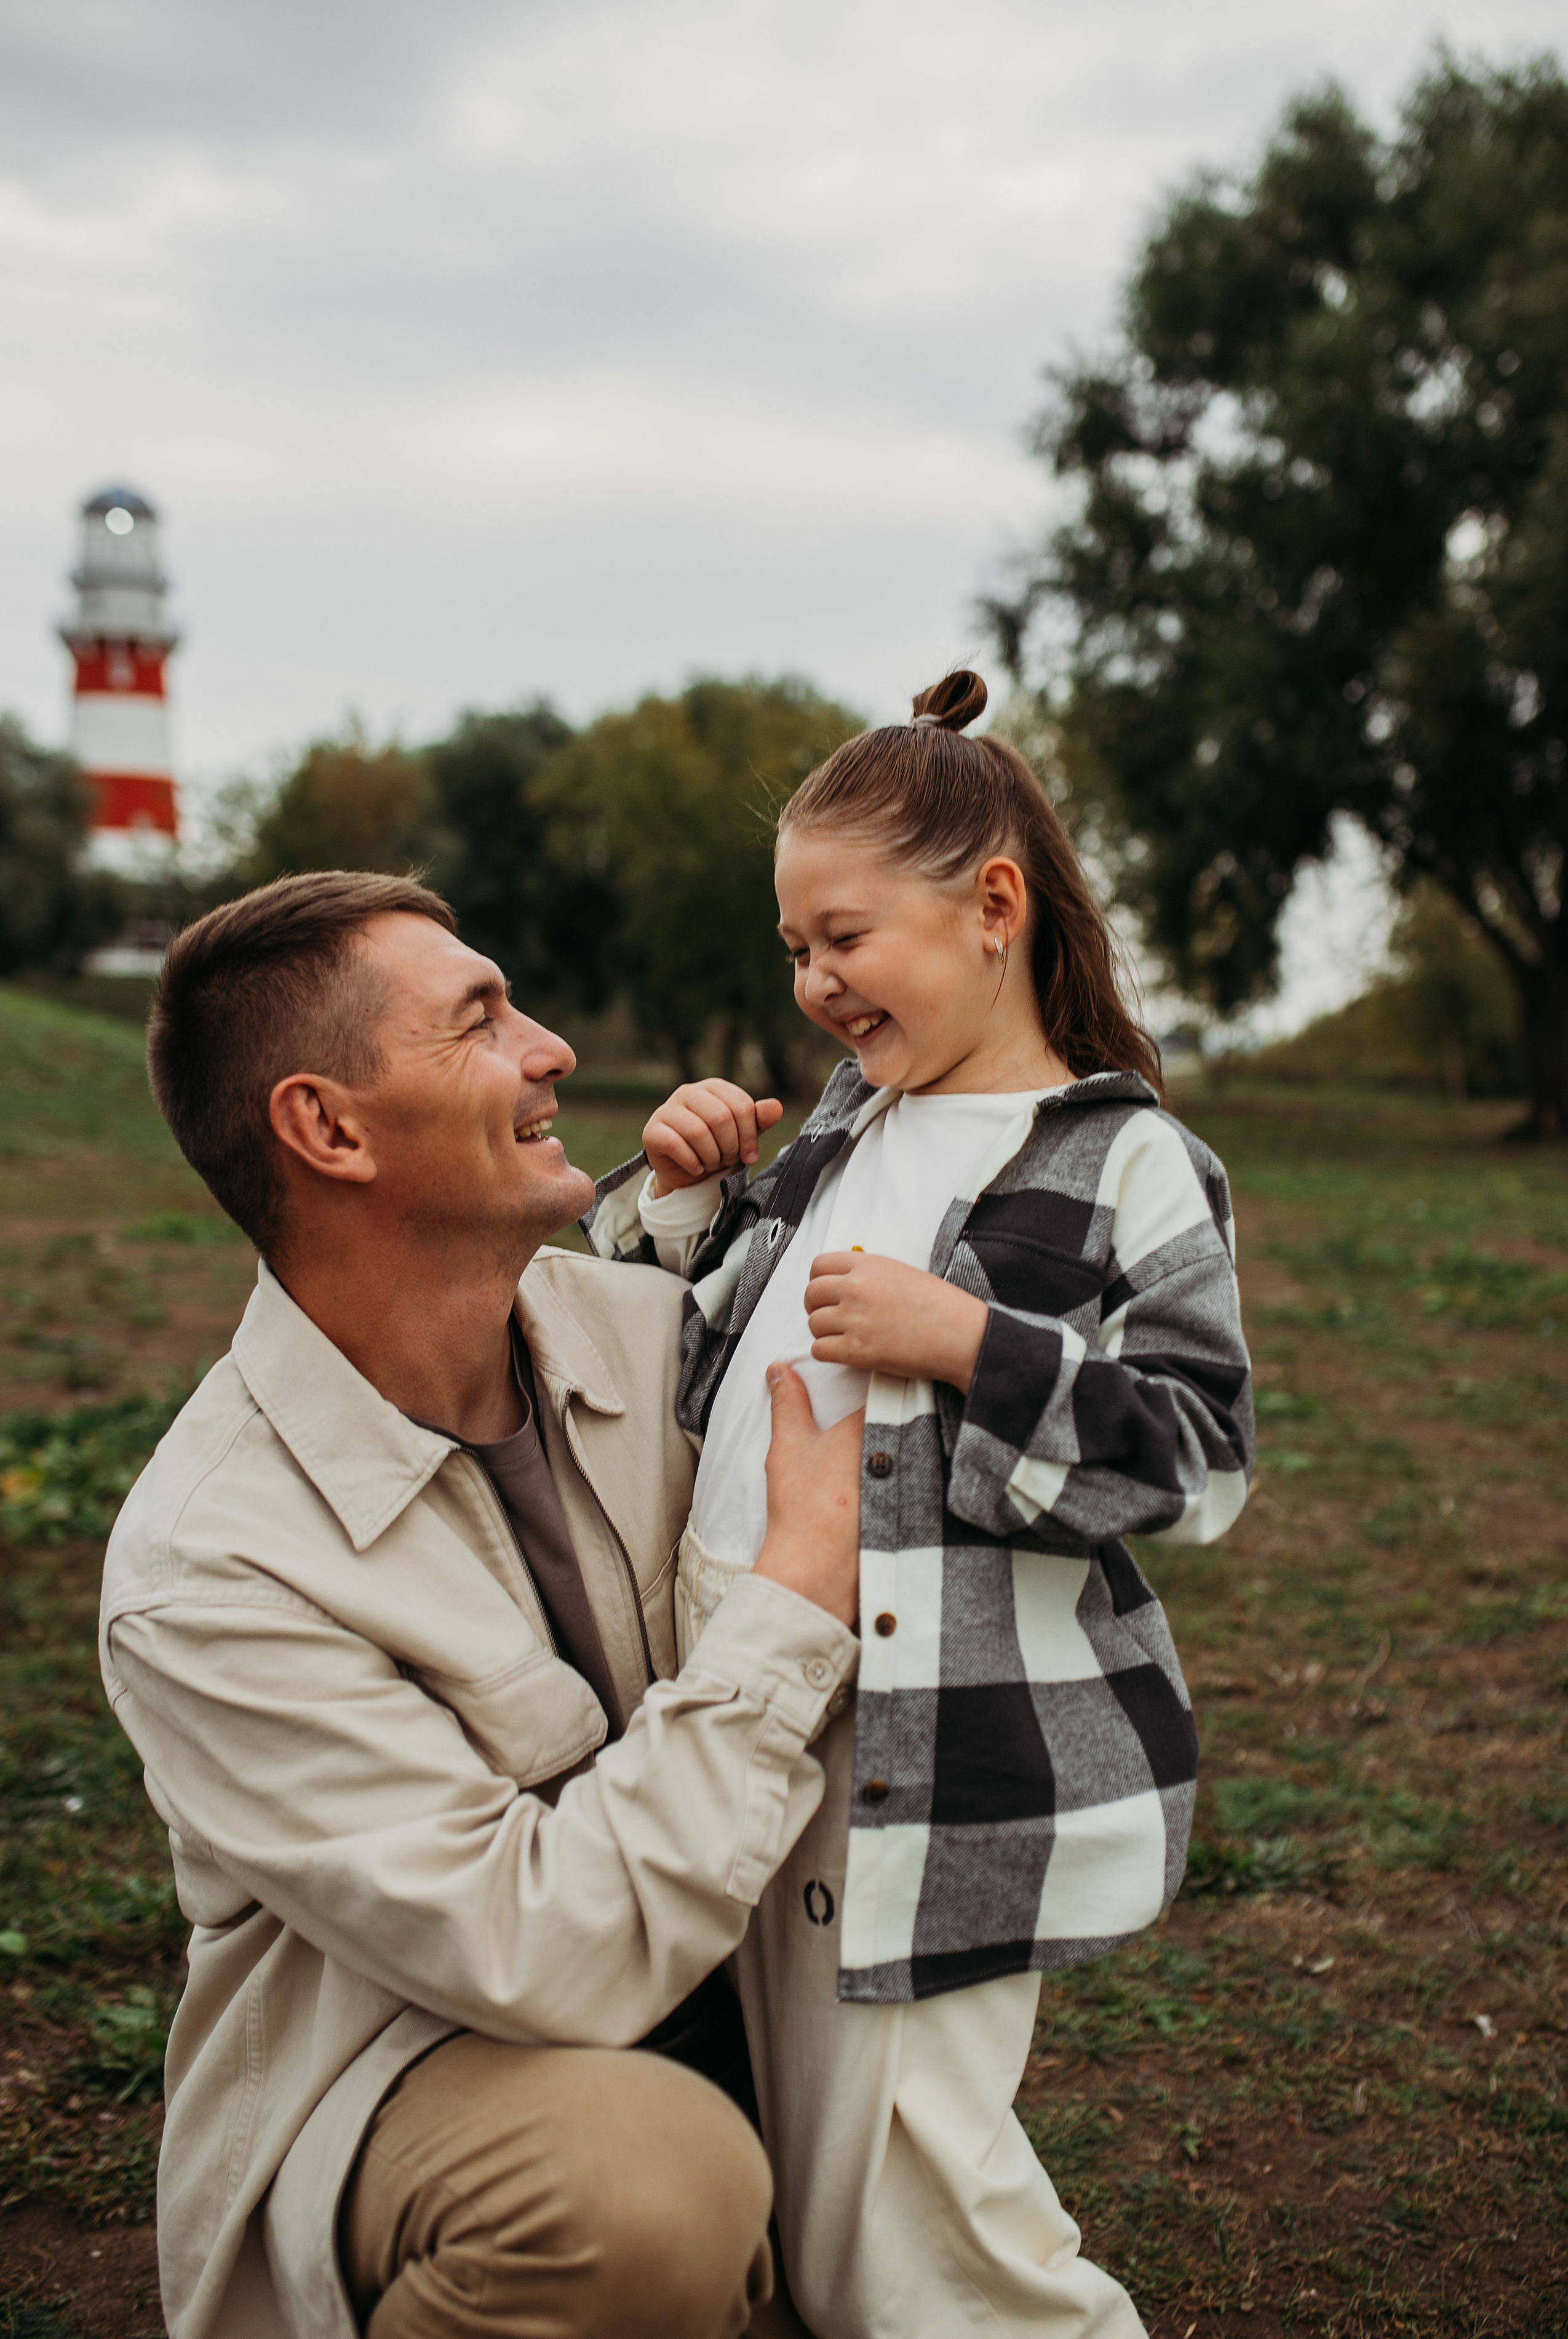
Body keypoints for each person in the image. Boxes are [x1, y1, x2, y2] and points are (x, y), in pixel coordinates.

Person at [99, 871, 865, 2339]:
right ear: (327, 1129)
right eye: (479, 1022)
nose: (553, 1046)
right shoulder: (209, 1571)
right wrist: (786, 1604)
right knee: (642, 2194)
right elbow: (541, 1955)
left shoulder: (648, 1334)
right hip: (422, 2078)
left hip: (735, 2015)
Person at [584, 671, 1256, 2339]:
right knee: (781, 2147)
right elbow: (695, 1347)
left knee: (910, 2203)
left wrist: (968, 1342)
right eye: (796, 948)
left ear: (993, 909)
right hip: (738, 1687)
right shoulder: (836, 1130)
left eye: (846, 938)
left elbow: (1199, 1456)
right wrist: (672, 1205)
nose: (812, 983)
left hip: (922, 1738)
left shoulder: (1121, 1161)